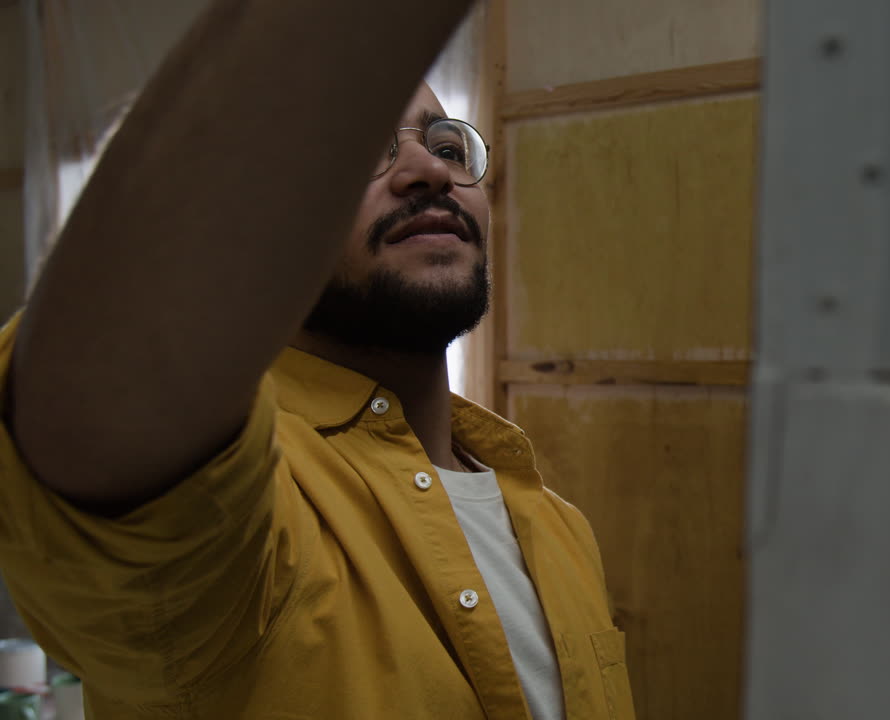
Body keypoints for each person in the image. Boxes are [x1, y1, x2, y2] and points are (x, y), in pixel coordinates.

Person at [0, 2, 634, 718]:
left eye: (449, 148)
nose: (428, 171)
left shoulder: (557, 525)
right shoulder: (248, 521)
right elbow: (99, 412)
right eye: (358, 153)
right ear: (270, 222)